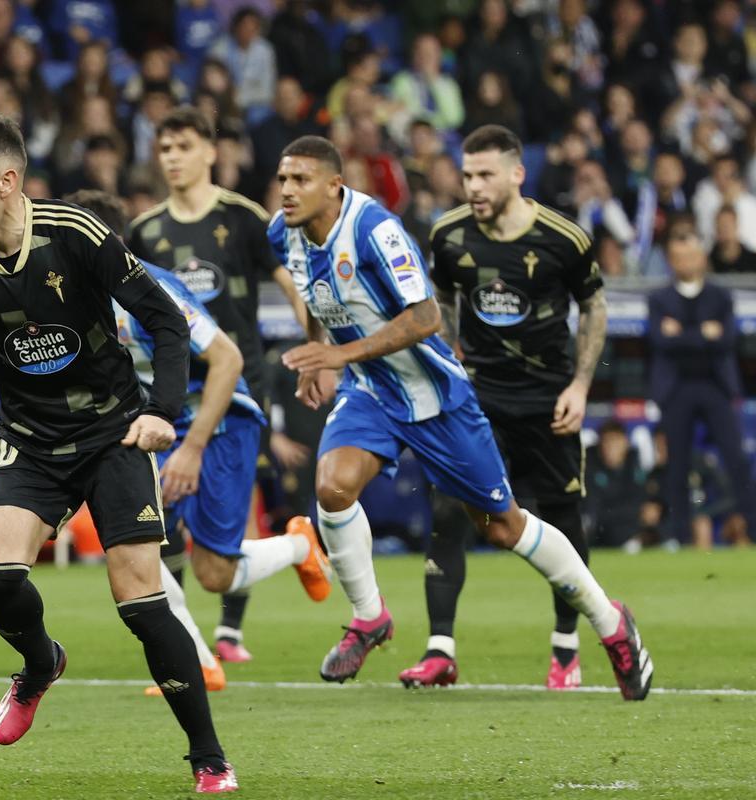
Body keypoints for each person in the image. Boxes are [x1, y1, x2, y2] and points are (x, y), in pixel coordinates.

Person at [0, 114, 237, 793]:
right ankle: (41, 666)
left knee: (142, 604)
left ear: (6, 182)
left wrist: (163, 413)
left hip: (114, 433)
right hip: (30, 441)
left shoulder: (77, 235)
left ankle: (209, 758)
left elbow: (163, 321)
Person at [270, 134, 652, 702]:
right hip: (372, 389)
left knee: (504, 527)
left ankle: (612, 623)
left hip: (434, 397)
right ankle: (370, 617)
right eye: (282, 180)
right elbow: (316, 293)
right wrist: (314, 353)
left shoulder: (375, 230)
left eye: (300, 180)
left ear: (334, 185)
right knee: (331, 487)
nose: (286, 192)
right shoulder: (285, 234)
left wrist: (337, 354)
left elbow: (425, 317)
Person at [69, 188, 331, 695]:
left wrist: (191, 448)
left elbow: (228, 359)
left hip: (220, 422)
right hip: (149, 429)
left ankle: (300, 545)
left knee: (216, 573)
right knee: (131, 547)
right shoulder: (71, 296)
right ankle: (199, 661)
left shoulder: (152, 289)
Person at [416, 124, 609, 690]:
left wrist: (579, 387)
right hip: (478, 396)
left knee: (562, 516)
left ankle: (566, 646)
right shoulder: (448, 235)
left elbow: (594, 308)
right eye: (467, 174)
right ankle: (440, 649)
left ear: (516, 174)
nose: (472, 185)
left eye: (484, 175)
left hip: (549, 397)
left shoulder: (563, 238)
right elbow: (444, 298)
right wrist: (449, 352)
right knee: (450, 508)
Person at [127, 106, 309, 664]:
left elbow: (291, 281)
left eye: (184, 146)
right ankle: (192, 650)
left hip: (236, 386)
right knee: (149, 523)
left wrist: (321, 354)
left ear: (210, 150)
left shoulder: (245, 217)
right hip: (168, 397)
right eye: (165, 149)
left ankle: (229, 629)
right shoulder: (146, 231)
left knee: (229, 518)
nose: (174, 159)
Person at [648, 227, 755, 546]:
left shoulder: (720, 296)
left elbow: (726, 340)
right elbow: (659, 340)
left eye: (692, 255)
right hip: (677, 390)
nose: (686, 262)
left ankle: (751, 529)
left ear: (702, 258)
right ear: (670, 261)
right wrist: (702, 334)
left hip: (715, 388)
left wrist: (681, 333)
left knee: (736, 460)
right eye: (679, 257)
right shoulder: (659, 298)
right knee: (677, 466)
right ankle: (680, 537)